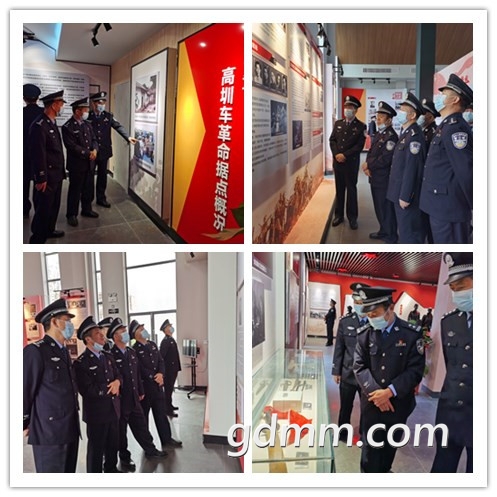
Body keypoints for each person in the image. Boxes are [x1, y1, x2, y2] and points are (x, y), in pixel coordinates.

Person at [353, 286, 425, 473]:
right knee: (368, 454)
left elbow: (415, 370)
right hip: (372, 403)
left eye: (375, 313)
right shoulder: (365, 333)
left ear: (390, 308)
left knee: (388, 450)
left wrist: (390, 392)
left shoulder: (411, 334)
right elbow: (359, 366)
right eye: (368, 314)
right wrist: (378, 395)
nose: (371, 318)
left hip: (398, 405)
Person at [23, 298, 80, 472]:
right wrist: (24, 421)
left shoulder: (63, 351)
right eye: (67, 320)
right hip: (49, 432)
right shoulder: (36, 351)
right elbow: (24, 389)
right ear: (55, 322)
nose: (71, 325)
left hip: (70, 428)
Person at [107, 318, 168, 469]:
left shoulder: (131, 352)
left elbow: (137, 375)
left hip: (134, 398)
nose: (125, 334)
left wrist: (140, 391)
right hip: (121, 400)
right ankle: (124, 458)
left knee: (141, 426)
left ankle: (150, 450)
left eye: (125, 331)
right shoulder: (111, 355)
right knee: (121, 432)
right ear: (115, 336)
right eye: (122, 331)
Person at [431, 252, 473, 473]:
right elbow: (452, 366)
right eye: (453, 289)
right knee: (442, 469)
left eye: (461, 287)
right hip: (450, 410)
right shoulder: (450, 322)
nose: (457, 294)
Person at [419, 73, 473, 244]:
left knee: (452, 253)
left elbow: (466, 171)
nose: (439, 97)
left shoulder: (455, 128)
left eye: (444, 94)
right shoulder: (446, 125)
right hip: (440, 204)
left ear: (455, 99)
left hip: (449, 208)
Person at [72, 316, 122, 473]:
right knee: (96, 449)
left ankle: (111, 469)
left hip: (113, 409)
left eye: (102, 333)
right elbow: (87, 390)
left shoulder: (107, 356)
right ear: (88, 339)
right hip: (97, 414)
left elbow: (118, 375)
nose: (102, 336)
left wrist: (117, 382)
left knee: (113, 444)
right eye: (98, 334)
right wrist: (110, 388)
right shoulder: (81, 363)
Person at [130, 320, 182, 448]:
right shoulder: (134, 350)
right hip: (146, 388)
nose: (144, 330)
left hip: (158, 386)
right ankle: (148, 444)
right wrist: (153, 377)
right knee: (144, 417)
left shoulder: (152, 344)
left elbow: (161, 361)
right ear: (135, 334)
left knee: (161, 414)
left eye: (143, 327)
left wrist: (161, 373)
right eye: (140, 329)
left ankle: (167, 439)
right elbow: (139, 368)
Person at [386, 92, 426, 244]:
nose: (400, 113)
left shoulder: (415, 136)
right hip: (398, 191)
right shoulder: (406, 133)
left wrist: (405, 195)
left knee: (409, 235)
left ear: (412, 115)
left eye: (403, 110)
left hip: (406, 195)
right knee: (404, 231)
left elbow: (412, 168)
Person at [332, 283, 370, 442]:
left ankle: (364, 435)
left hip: (367, 376)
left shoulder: (374, 322)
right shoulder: (345, 321)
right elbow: (339, 347)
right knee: (345, 407)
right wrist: (336, 370)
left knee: (367, 409)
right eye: (356, 302)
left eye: (361, 303)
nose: (358, 305)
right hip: (348, 373)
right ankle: (342, 434)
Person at [28, 90, 67, 243]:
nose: (62, 107)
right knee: (43, 210)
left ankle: (49, 230)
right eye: (61, 104)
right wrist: (41, 177)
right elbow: (38, 153)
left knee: (54, 206)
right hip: (48, 177)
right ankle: (37, 239)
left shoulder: (51, 122)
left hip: (56, 174)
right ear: (53, 105)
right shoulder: (39, 125)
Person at [88, 91, 137, 207]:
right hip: (91, 152)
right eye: (100, 102)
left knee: (102, 176)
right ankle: (88, 201)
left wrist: (128, 137)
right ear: (94, 103)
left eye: (103, 102)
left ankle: (101, 198)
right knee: (89, 177)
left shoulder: (108, 116)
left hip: (104, 151)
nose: (102, 105)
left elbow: (118, 126)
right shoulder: (88, 116)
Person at [362, 101, 399, 243]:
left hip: (384, 179)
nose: (378, 119)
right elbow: (371, 152)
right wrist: (368, 167)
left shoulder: (391, 136)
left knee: (386, 209)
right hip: (375, 177)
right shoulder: (379, 134)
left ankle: (391, 235)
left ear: (389, 120)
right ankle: (383, 230)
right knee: (379, 207)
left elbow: (385, 159)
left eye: (382, 117)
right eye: (377, 116)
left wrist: (369, 164)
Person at [329, 95, 367, 230]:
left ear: (355, 110)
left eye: (350, 107)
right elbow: (332, 140)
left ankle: (352, 217)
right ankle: (338, 215)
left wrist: (344, 155)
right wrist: (336, 154)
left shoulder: (361, 126)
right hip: (338, 163)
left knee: (351, 190)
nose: (347, 109)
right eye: (346, 107)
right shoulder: (338, 124)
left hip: (350, 164)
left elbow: (359, 146)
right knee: (339, 190)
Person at [62, 97, 99, 227]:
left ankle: (86, 209)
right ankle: (71, 214)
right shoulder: (68, 126)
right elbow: (71, 146)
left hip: (89, 163)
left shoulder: (87, 124)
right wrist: (89, 153)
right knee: (75, 190)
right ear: (77, 111)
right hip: (77, 164)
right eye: (85, 110)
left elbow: (94, 139)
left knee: (88, 188)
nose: (87, 112)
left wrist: (95, 150)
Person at [23, 83, 43, 218]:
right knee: (39, 182)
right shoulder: (42, 113)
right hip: (39, 154)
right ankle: (38, 209)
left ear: (24, 98)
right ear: (37, 98)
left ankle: (24, 209)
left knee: (23, 183)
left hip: (23, 153)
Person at [159, 319, 182, 417]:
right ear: (165, 329)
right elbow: (162, 357)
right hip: (168, 370)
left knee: (170, 389)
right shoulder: (166, 341)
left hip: (173, 369)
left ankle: (170, 405)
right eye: (169, 326)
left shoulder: (171, 339)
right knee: (168, 390)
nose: (171, 328)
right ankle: (167, 410)